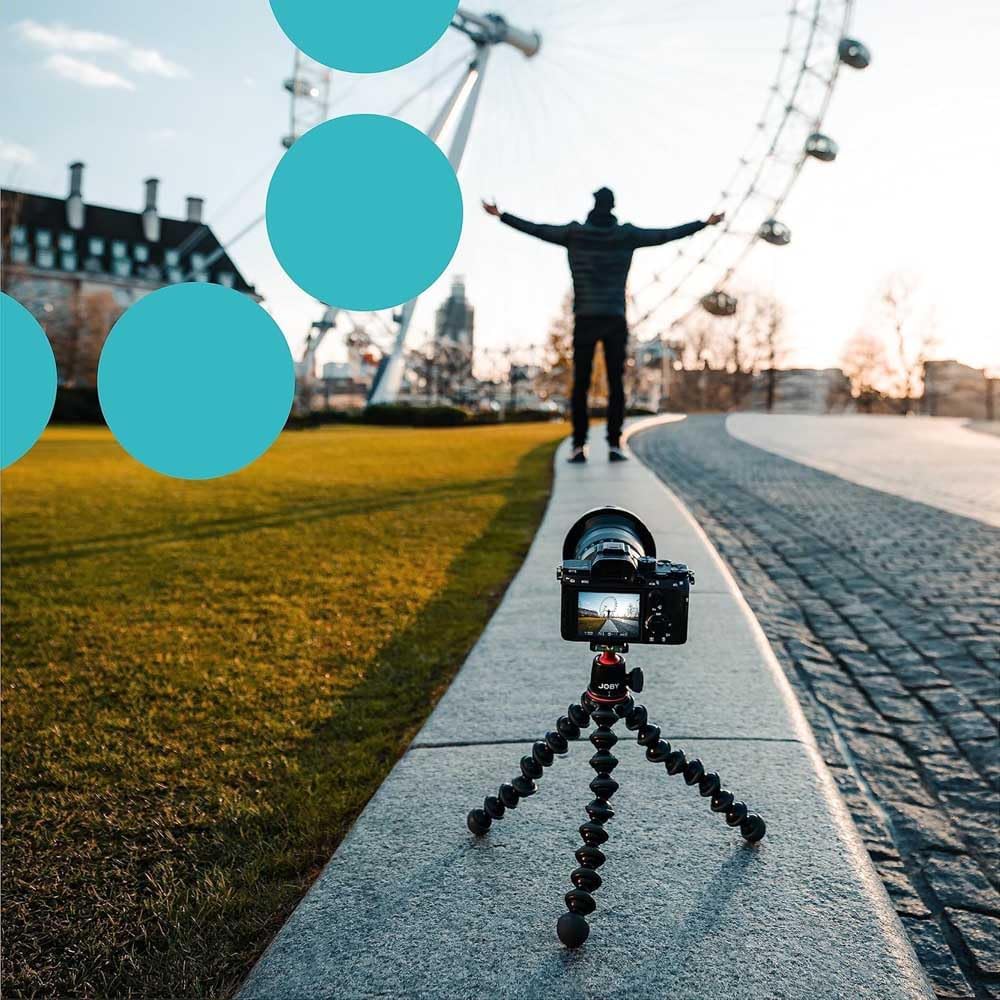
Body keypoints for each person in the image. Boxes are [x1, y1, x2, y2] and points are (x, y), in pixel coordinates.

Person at [483, 188, 724, 462]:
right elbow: (665, 234)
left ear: (594, 205)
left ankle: (578, 445)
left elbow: (537, 229)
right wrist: (704, 224)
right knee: (616, 384)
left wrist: (501, 215)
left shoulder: (575, 234)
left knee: (580, 384)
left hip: (585, 316)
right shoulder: (626, 235)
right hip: (614, 317)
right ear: (613, 207)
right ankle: (614, 443)